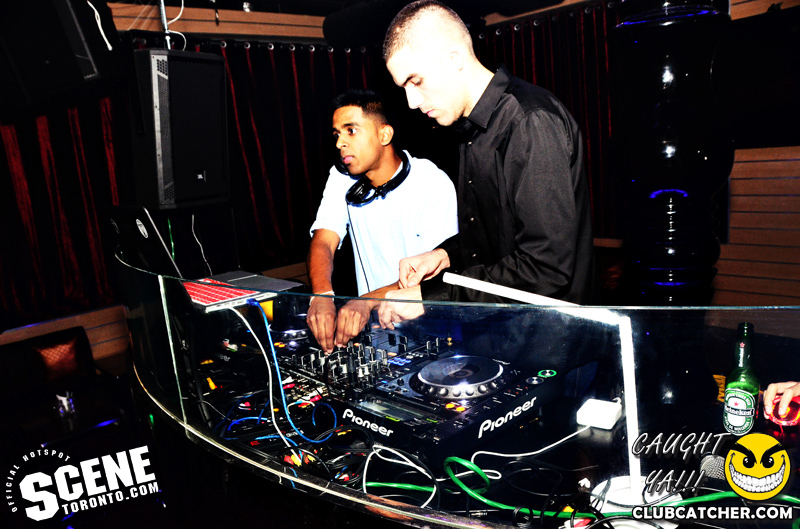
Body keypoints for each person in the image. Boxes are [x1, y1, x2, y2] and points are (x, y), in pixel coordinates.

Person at [378, 0, 594, 328]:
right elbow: (496, 237)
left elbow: (546, 268)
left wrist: (433, 297)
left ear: (454, 59)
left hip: (552, 341)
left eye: (416, 81)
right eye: (404, 88)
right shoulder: (469, 128)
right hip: (507, 335)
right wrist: (445, 255)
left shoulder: (530, 121)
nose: (411, 101)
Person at [307, 89, 458, 351]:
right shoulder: (342, 177)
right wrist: (321, 296)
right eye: (336, 134)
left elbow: (435, 275)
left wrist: (366, 301)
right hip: (373, 333)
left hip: (429, 333)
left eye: (350, 130)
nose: (340, 143)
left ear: (384, 135)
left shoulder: (432, 183)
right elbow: (324, 240)